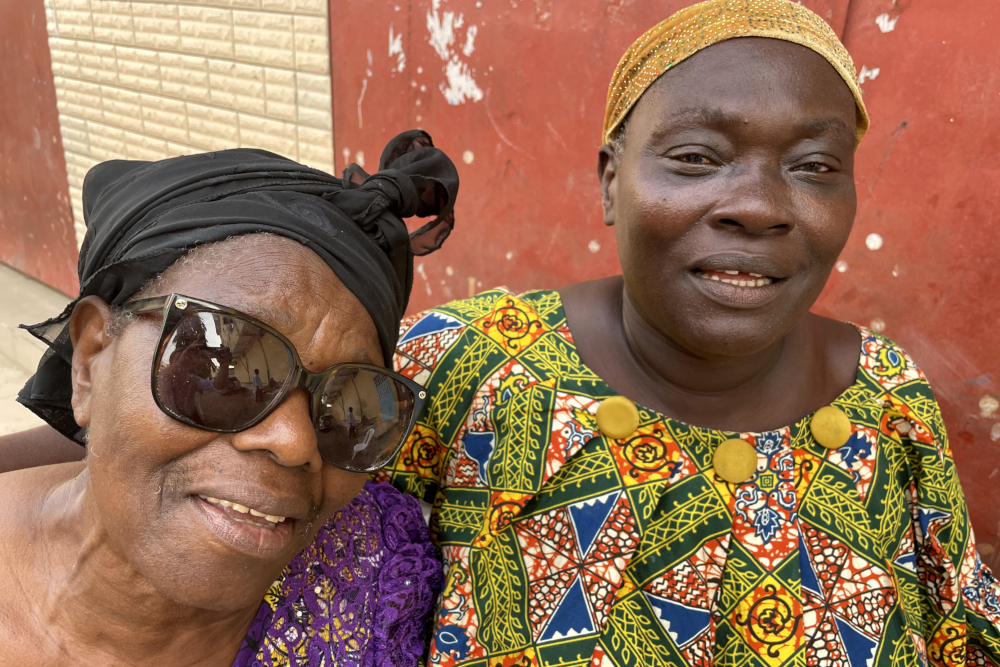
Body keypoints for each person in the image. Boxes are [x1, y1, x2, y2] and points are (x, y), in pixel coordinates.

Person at [376, 1, 1000, 665]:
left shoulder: (888, 404)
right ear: (612, 181)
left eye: (815, 165)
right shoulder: (462, 366)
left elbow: (959, 634)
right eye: (697, 156)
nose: (758, 206)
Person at [0, 130, 457, 666]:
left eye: (351, 401)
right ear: (90, 360)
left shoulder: (379, 578)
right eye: (225, 369)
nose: (294, 442)